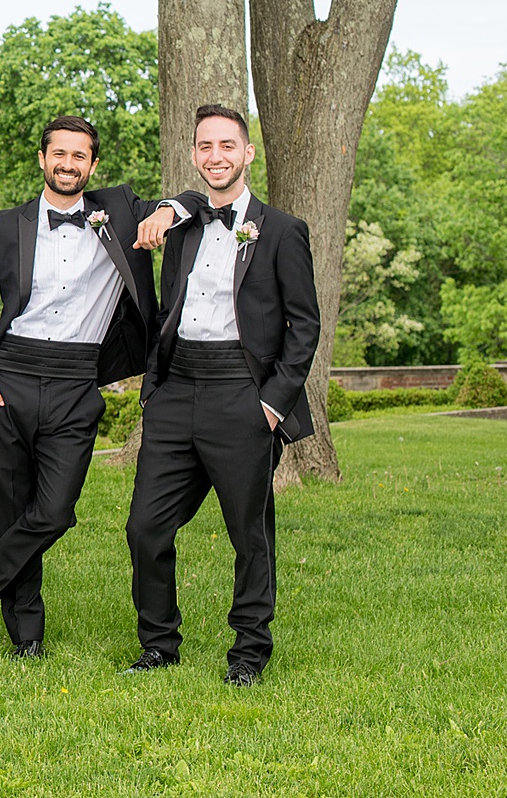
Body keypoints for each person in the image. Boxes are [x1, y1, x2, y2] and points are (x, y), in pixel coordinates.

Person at [0, 116, 204, 657]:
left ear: (93, 165)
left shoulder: (120, 211)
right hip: (8, 380)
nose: (68, 164)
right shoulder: (5, 224)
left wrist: (171, 209)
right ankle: (26, 637)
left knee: (54, 511)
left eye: (80, 156)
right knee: (12, 511)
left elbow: (192, 198)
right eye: (59, 154)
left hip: (78, 381)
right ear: (41, 158)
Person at [122, 104, 319, 686]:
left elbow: (304, 326)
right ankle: (159, 644)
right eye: (205, 146)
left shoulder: (282, 231)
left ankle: (250, 652)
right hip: (177, 388)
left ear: (247, 153)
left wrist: (272, 401)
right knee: (145, 527)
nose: (216, 157)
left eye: (227, 146)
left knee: (249, 532)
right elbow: (121, 206)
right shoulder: (180, 223)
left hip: (243, 393)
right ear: (193, 156)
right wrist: (155, 391)